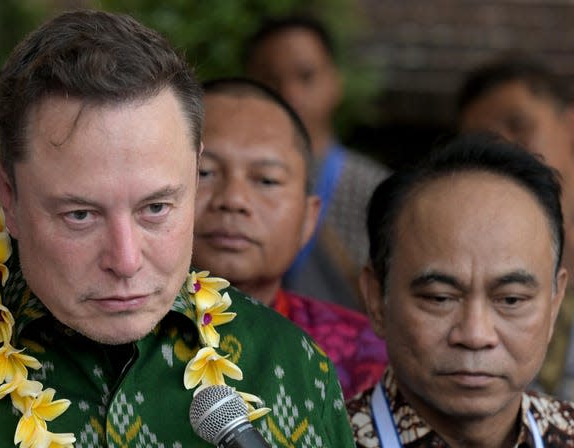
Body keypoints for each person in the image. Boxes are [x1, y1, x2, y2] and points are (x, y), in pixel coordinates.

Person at [0, 10, 355, 448]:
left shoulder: (290, 368)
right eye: (80, 215)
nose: (126, 258)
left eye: (156, 208)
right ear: (8, 195)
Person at [347, 133, 574, 447]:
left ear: (554, 302)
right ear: (376, 299)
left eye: (511, 299)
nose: (475, 335)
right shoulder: (324, 439)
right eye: (440, 298)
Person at [193, 77, 387, 399]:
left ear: (309, 219)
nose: (233, 199)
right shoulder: (110, 341)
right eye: (204, 173)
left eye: (266, 180)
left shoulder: (366, 357)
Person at [244, 14, 391, 311]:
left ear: (335, 81)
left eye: (306, 76)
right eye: (270, 80)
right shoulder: (229, 185)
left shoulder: (376, 189)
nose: (289, 94)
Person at [457, 54, 574, 400]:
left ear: (570, 126)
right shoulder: (466, 263)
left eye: (519, 125)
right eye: (485, 141)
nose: (506, 149)